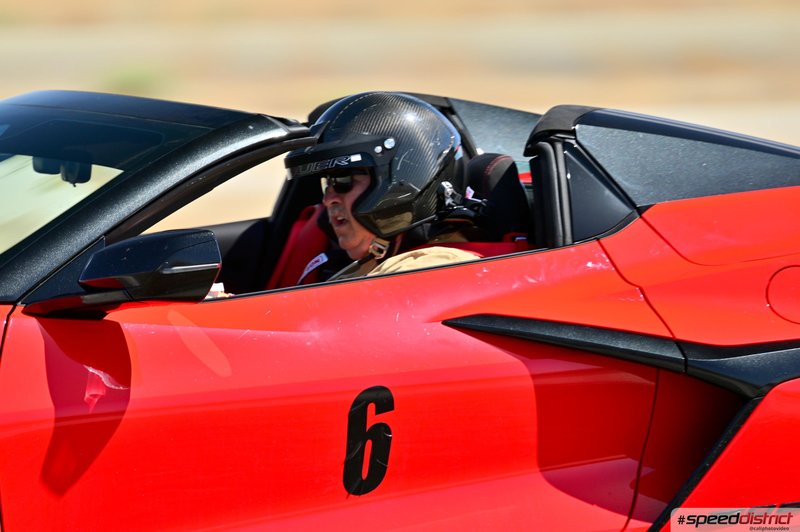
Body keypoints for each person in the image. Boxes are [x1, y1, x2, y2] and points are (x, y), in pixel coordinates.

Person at [284, 92, 482, 281]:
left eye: (342, 181)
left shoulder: (430, 270)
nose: (328, 200)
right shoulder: (378, 263)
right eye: (328, 183)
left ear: (400, 180)